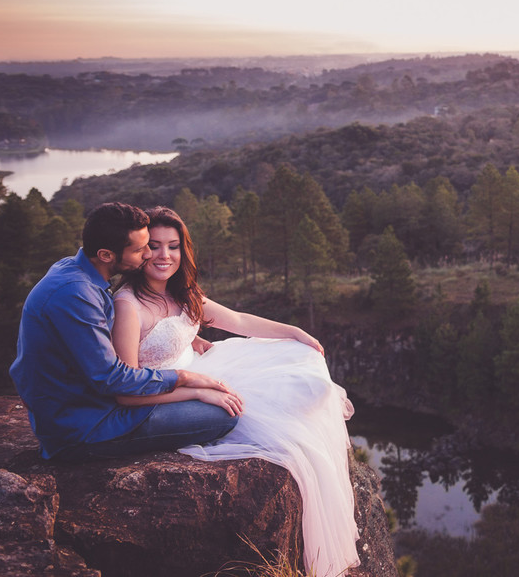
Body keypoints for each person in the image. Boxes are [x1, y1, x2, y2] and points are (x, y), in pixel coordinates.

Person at [111, 206, 359, 577]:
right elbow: (126, 390)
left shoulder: (183, 292)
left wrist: (294, 331)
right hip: (167, 390)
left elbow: (239, 322)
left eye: (173, 246)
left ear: (184, 250)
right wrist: (195, 391)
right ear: (140, 250)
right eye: (155, 247)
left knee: (303, 370)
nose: (164, 256)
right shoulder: (128, 305)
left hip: (204, 370)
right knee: (268, 423)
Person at [9, 202, 240, 461]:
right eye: (141, 249)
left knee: (220, 400)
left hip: (89, 403)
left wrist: (186, 335)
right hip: (84, 426)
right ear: (107, 255)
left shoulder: (75, 270)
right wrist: (185, 379)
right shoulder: (76, 293)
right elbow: (112, 379)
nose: (148, 255)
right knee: (223, 417)